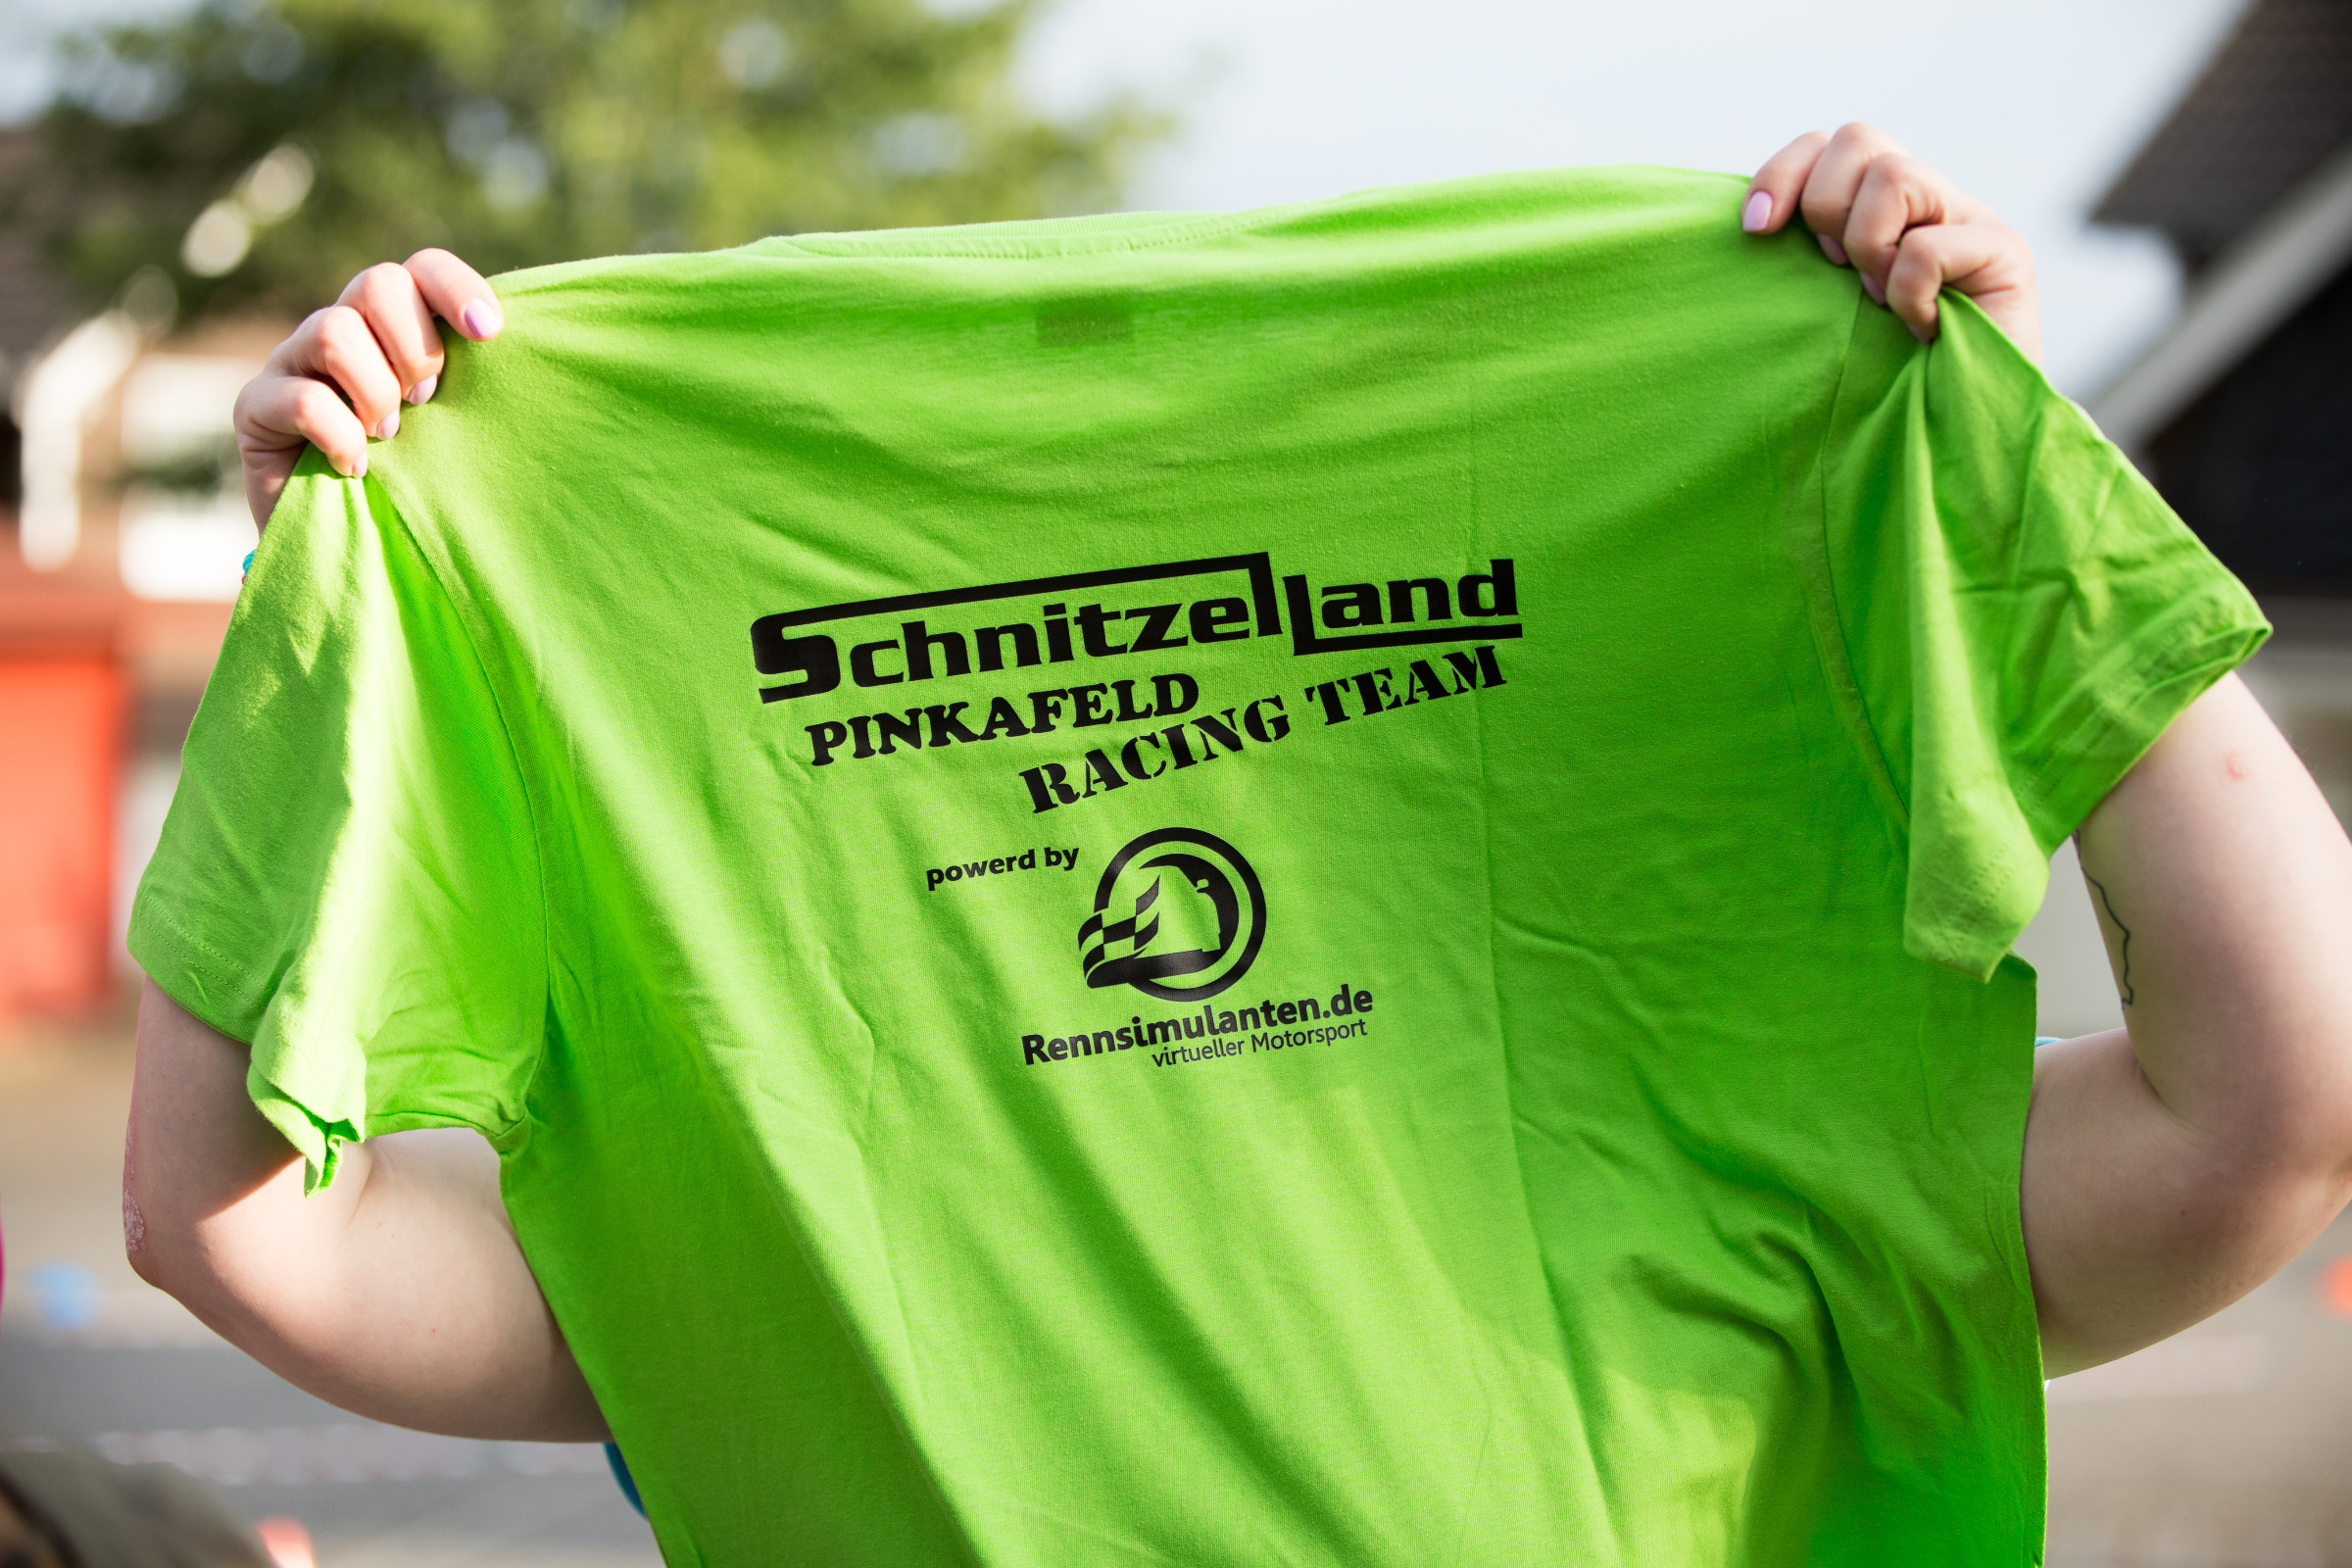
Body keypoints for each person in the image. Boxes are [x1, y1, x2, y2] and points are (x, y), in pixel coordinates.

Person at [125, 123, 2352, 1546]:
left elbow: (2287, 1090)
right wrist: (347, 601)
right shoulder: (772, 1210)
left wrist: (1983, 464)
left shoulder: (1740, 1146)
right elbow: (238, 1228)